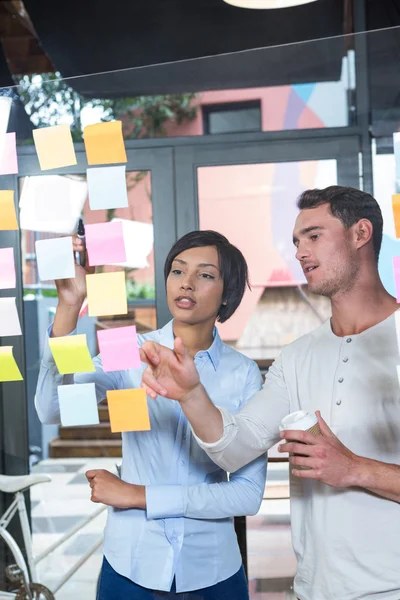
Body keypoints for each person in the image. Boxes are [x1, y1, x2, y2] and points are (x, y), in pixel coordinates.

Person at [140, 186, 400, 600]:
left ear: (360, 233)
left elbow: (348, 468)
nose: (299, 251)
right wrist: (191, 394)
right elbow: (234, 448)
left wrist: (356, 469)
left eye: (314, 236)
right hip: (313, 590)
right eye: (297, 241)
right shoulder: (297, 357)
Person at [35, 229, 267, 600]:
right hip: (130, 564)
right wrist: (69, 306)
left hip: (212, 570)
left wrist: (138, 494)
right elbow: (51, 408)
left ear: (228, 294)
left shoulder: (242, 373)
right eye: (178, 271)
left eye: (205, 274)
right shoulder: (127, 349)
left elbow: (246, 496)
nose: (186, 283)